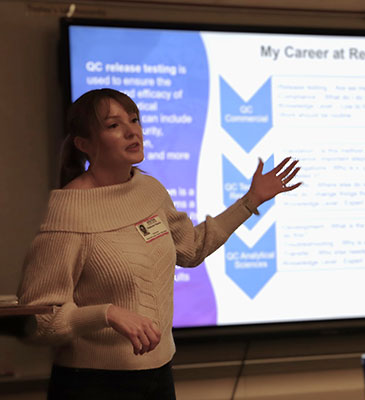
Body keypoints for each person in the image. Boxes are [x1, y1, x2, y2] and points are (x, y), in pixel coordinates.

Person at [17, 88, 301, 400]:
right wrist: (107, 314)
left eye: (134, 120)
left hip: (159, 377)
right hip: (93, 383)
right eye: (114, 125)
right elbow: (39, 321)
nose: (132, 131)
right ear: (84, 144)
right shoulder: (69, 212)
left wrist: (250, 201)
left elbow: (191, 249)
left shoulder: (149, 190)